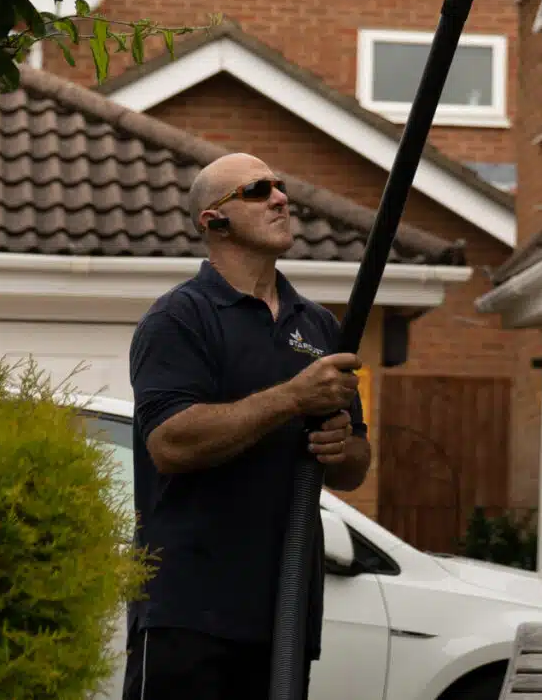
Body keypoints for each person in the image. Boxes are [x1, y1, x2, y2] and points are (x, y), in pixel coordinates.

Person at [123, 152, 372, 700]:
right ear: (213, 221)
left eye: (280, 186)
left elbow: (355, 462)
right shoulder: (178, 320)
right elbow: (171, 444)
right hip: (188, 611)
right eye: (258, 190)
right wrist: (290, 398)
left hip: (284, 612)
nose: (281, 198)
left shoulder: (320, 326)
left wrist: (342, 448)